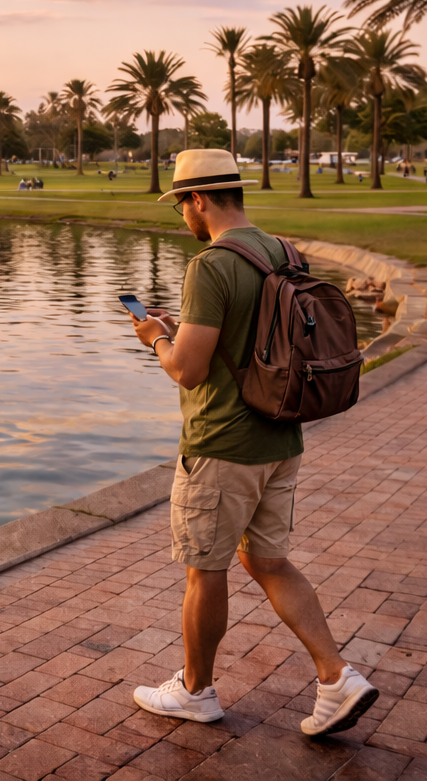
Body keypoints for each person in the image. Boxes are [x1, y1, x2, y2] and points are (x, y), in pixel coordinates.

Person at [127, 148, 378, 736]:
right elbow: (248, 333)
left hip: (222, 443)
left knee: (204, 569)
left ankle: (195, 691)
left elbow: (187, 370)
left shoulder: (211, 266)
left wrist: (153, 339)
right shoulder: (281, 250)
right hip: (280, 438)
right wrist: (180, 325)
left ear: (199, 199)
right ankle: (337, 678)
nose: (182, 217)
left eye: (181, 204)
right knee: (268, 560)